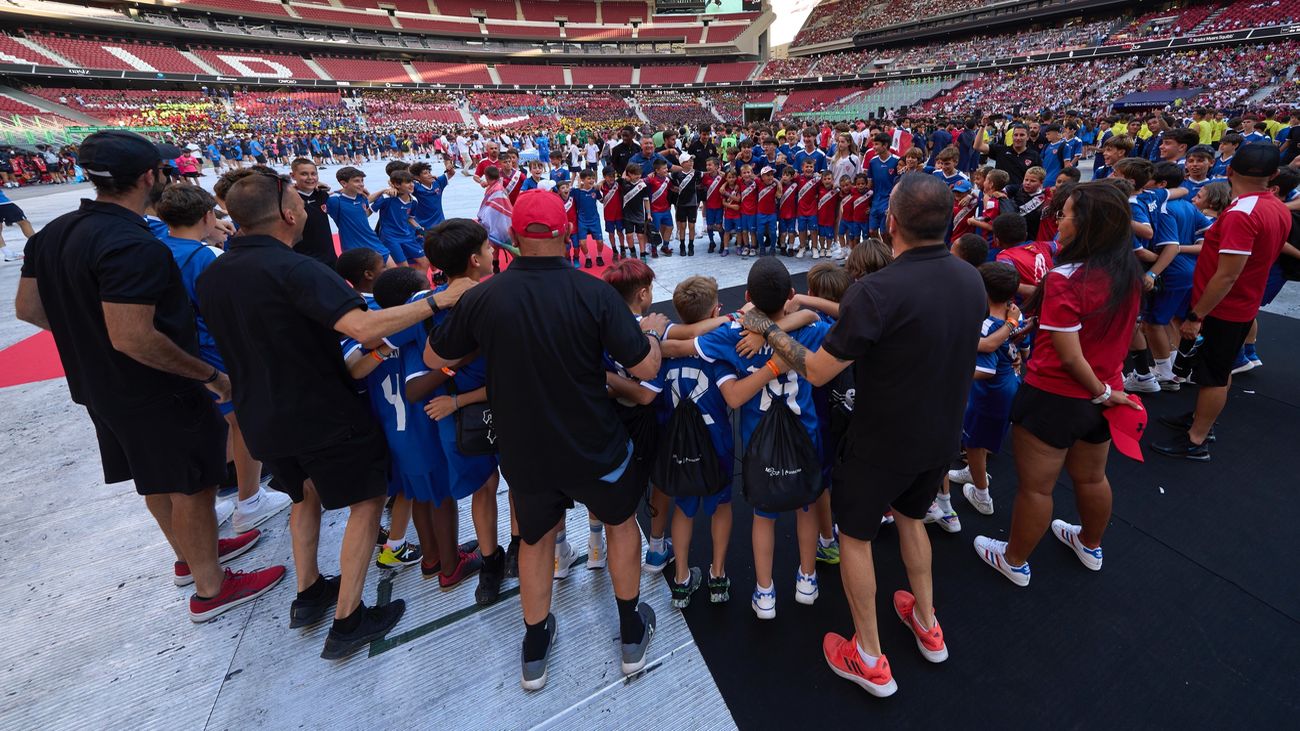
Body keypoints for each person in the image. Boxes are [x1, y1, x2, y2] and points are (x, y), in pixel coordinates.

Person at [196, 167, 471, 659]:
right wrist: (439, 300)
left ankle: (309, 593)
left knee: (304, 497)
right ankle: (348, 619)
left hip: (260, 412)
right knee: (367, 501)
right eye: (298, 202)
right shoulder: (297, 269)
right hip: (318, 409)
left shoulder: (215, 273)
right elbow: (364, 327)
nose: (306, 209)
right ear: (286, 214)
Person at [14, 131, 285, 623]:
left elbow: (28, 308)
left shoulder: (53, 233)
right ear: (148, 177)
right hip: (157, 390)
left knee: (154, 479)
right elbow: (134, 337)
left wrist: (88, 337)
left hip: (98, 386)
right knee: (192, 486)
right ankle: (211, 588)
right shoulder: (133, 243)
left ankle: (192, 557)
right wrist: (211, 376)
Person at [740, 173, 986, 697]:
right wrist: (818, 303)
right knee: (912, 521)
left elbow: (816, 370)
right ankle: (928, 624)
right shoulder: (970, 279)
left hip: (879, 444)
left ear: (890, 221)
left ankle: (870, 657)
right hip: (940, 435)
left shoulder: (877, 292)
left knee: (856, 539)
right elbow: (894, 318)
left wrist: (770, 329)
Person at [424, 190, 666, 691]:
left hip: (526, 448)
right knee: (620, 525)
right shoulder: (594, 292)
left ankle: (534, 648)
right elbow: (644, 368)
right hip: (594, 443)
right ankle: (630, 633)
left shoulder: (483, 297)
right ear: (567, 233)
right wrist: (655, 337)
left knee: (534, 541)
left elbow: (434, 358)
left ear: (513, 237)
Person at [974, 182, 1143, 587]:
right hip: (1105, 394)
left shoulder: (1067, 277)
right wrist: (1106, 392)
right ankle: (1090, 543)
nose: (1058, 222)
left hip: (1056, 396)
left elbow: (1069, 355)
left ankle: (1014, 560)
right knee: (1092, 477)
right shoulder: (1129, 273)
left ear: (1086, 225)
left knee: (1036, 489)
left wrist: (1100, 391)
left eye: (1064, 215)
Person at [155, 184, 293, 535]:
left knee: (206, 429)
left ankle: (212, 502)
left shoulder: (157, 248)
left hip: (180, 354)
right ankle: (249, 500)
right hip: (215, 353)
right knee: (242, 423)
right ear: (207, 216)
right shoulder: (204, 257)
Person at [1152, 146, 1292, 461]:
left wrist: (1196, 316)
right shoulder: (1276, 206)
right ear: (1273, 175)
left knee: (1213, 374)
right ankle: (1200, 418)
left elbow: (1227, 275)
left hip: (1224, 307)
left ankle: (1197, 438)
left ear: (1228, 171)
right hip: (1241, 302)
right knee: (1218, 369)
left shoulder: (1242, 213)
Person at [290, 158, 337, 268]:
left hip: (329, 256)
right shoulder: (289, 198)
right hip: (304, 259)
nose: (310, 177)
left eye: (313, 174)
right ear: (293, 176)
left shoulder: (322, 195)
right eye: (304, 174)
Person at [973, 122, 1043, 186]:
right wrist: (982, 126)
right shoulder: (1001, 150)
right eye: (1015, 135)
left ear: (1027, 137)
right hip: (1001, 193)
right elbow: (977, 146)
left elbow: (1039, 177)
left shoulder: (1034, 155)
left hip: (1022, 194)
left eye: (1022, 135)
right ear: (1012, 137)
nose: (1018, 138)